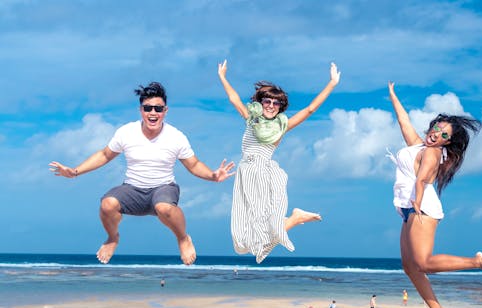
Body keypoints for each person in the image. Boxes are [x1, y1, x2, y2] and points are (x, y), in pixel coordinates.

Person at [49, 82, 235, 265]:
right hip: (132, 190)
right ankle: (113, 238)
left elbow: (193, 164)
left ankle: (183, 238)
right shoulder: (126, 132)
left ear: (165, 111)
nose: (153, 113)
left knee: (164, 207)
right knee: (107, 204)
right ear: (141, 110)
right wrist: (74, 172)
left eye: (158, 108)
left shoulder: (176, 137)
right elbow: (105, 155)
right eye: (148, 108)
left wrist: (212, 175)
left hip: (163, 188)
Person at [387, 81, 482, 308]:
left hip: (422, 208)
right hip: (410, 208)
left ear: (448, 142)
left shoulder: (433, 153)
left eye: (443, 135)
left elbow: (421, 180)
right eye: (436, 129)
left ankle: (476, 261)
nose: (436, 135)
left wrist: (417, 201)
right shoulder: (420, 146)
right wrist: (394, 97)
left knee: (424, 263)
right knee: (410, 267)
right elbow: (404, 122)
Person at [218, 60, 340, 263]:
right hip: (245, 173)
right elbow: (234, 99)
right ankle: (295, 218)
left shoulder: (282, 126)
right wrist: (222, 77)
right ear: (261, 102)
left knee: (260, 232)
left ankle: (295, 218)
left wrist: (332, 84)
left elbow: (310, 109)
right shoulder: (252, 118)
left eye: (276, 103)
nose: (271, 106)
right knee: (241, 242)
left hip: (263, 173)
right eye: (267, 101)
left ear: (280, 107)